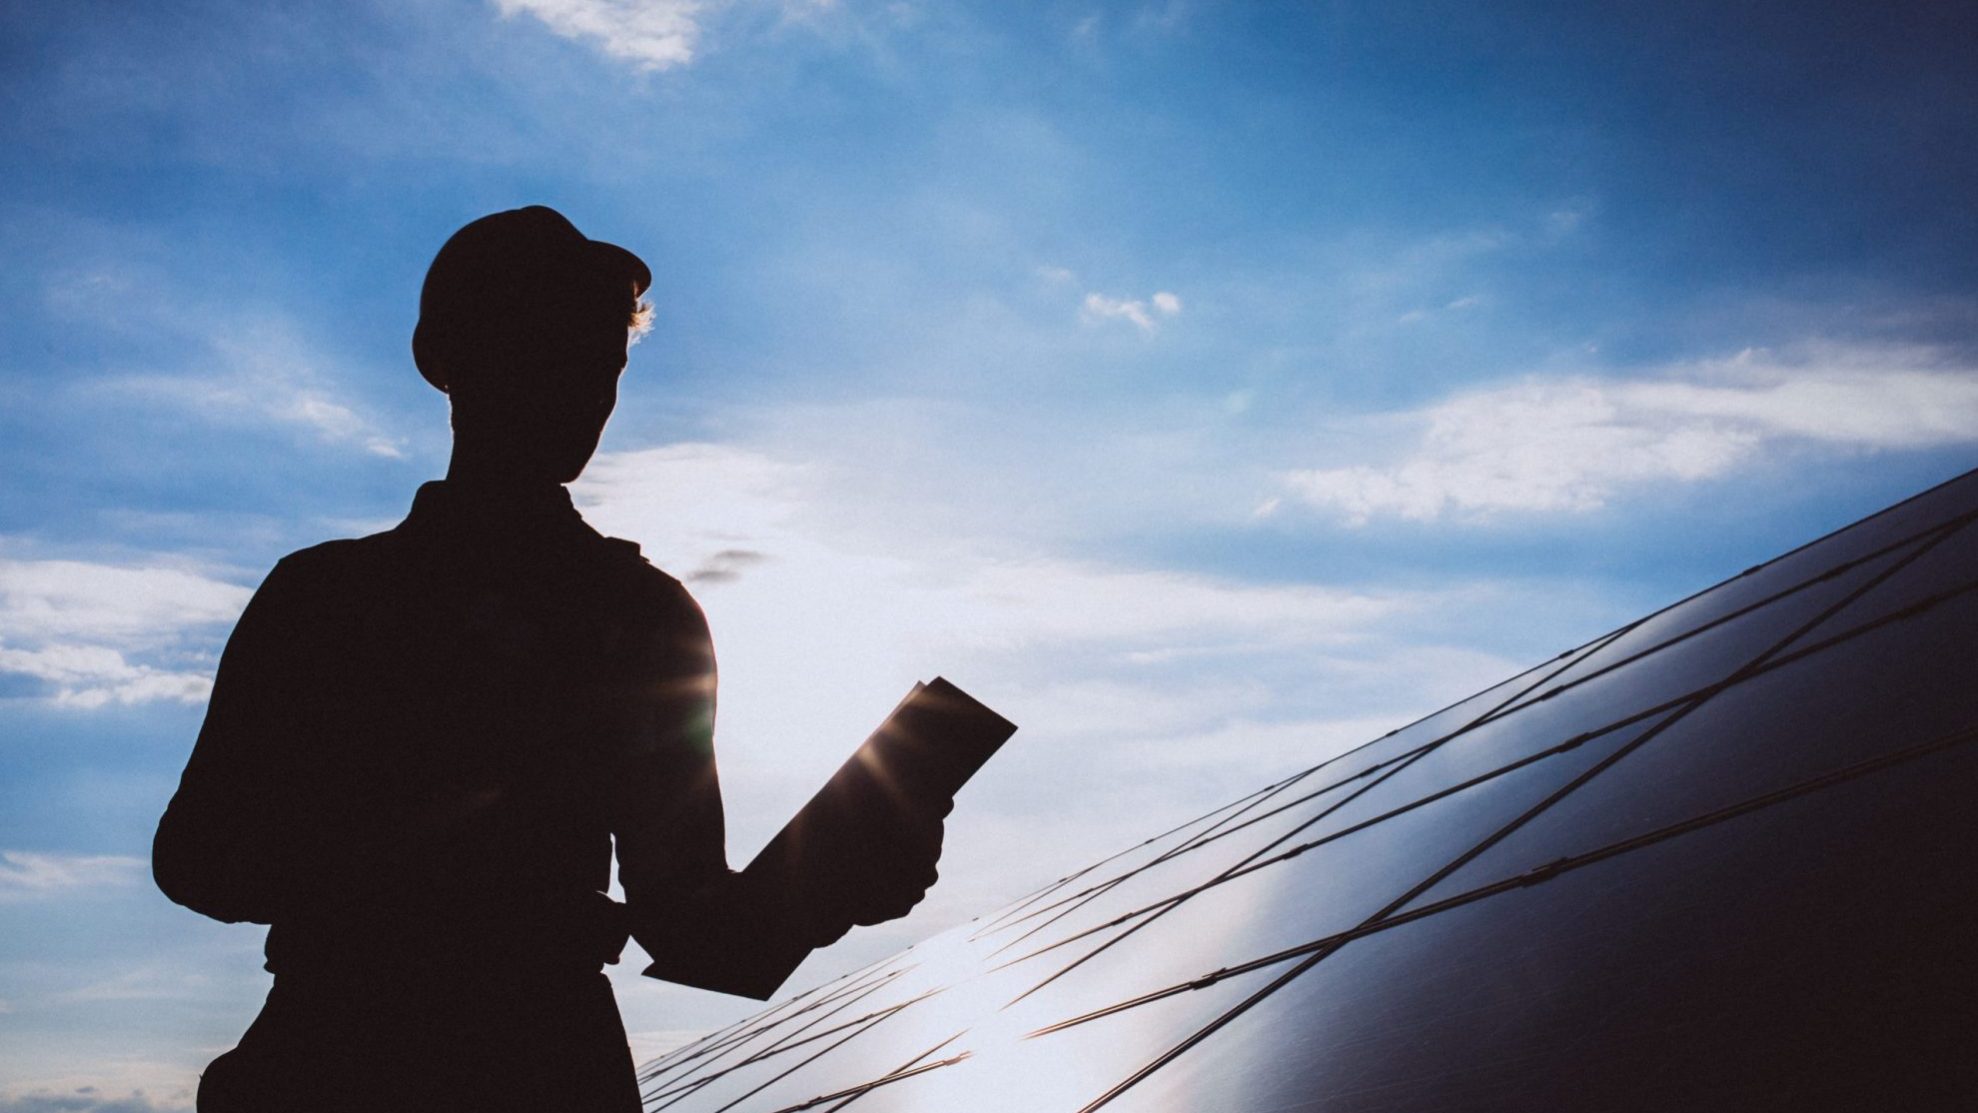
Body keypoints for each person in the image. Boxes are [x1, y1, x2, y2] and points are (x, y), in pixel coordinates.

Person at [153, 206, 944, 1112]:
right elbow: (195, 858)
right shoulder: (326, 599)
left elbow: (695, 930)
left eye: (601, 364)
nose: (584, 393)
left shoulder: (640, 615)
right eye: (545, 352)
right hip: (374, 1060)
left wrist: (840, 877)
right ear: (453, 363)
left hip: (494, 1063)